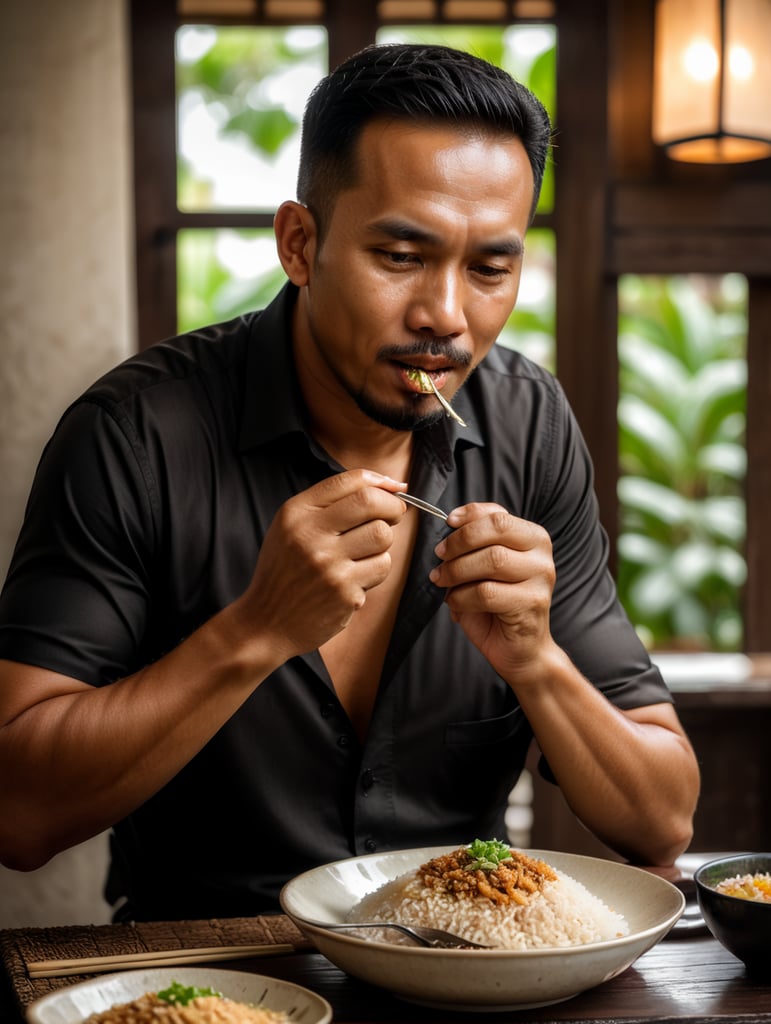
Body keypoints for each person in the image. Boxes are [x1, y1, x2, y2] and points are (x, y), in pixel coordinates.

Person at [0, 43, 699, 921]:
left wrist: (536, 661)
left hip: (474, 966)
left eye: (489, 268)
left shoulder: (529, 424)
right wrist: (253, 631)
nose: (445, 315)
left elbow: (662, 820)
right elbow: (17, 817)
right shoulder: (136, 435)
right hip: (209, 971)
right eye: (400, 254)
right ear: (300, 243)